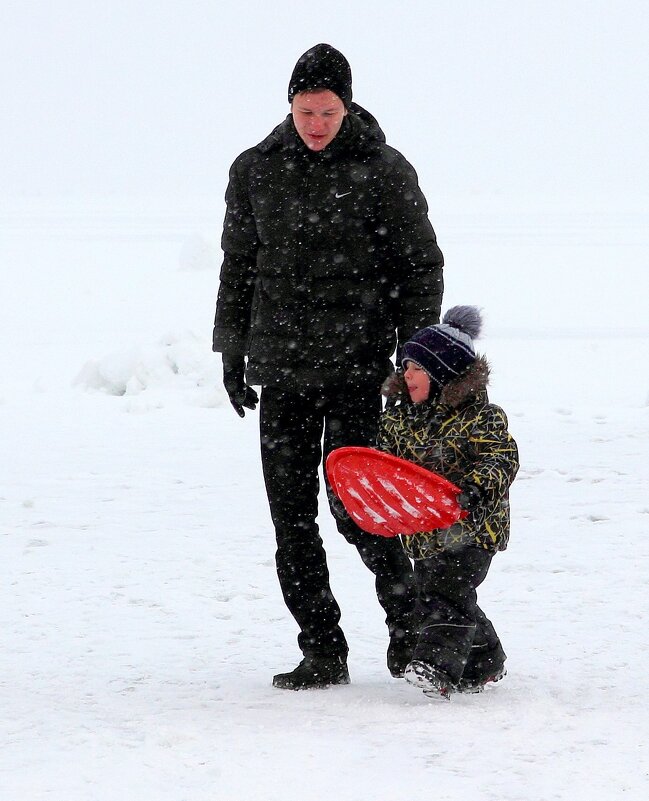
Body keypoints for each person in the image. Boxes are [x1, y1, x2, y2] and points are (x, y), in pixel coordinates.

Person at [213, 43, 444, 690]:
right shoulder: (256, 169)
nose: (315, 124)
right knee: (290, 517)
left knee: (359, 511)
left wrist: (415, 353)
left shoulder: (383, 170)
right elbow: (239, 266)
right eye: (306, 110)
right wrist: (232, 349)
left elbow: (419, 267)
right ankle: (321, 648)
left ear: (347, 107)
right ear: (289, 105)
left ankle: (409, 628)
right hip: (283, 368)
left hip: (356, 369)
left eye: (327, 111)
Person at [377, 305, 519, 698]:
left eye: (417, 368)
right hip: (423, 531)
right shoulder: (398, 421)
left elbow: (501, 457)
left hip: (474, 526)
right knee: (445, 595)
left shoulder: (481, 418)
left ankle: (435, 668)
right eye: (404, 367)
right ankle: (485, 659)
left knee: (446, 592)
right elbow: (386, 469)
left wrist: (474, 488)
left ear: (442, 374)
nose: (406, 375)